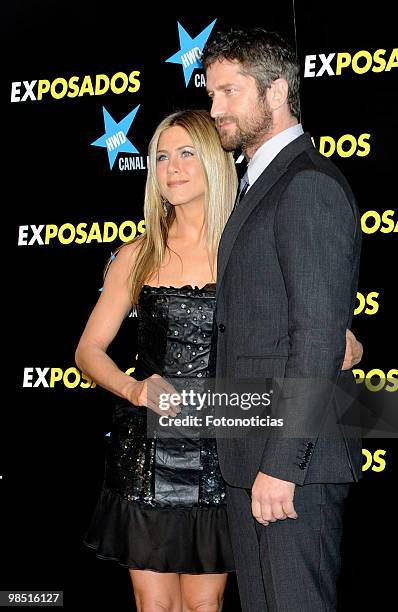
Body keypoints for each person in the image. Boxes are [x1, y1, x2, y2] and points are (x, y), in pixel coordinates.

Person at [75, 108, 362, 610]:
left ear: (213, 158)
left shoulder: (247, 247)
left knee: (206, 606)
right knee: (154, 605)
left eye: (186, 153)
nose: (172, 168)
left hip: (227, 446)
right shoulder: (136, 254)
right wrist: (134, 388)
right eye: (161, 157)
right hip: (150, 452)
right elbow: (88, 351)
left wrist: (348, 344)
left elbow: (320, 330)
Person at [203, 27, 363, 611]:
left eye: (228, 92)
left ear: (275, 91)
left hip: (288, 466)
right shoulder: (261, 184)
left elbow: (318, 338)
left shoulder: (307, 184)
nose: (214, 107)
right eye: (210, 91)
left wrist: (282, 464)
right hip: (253, 458)